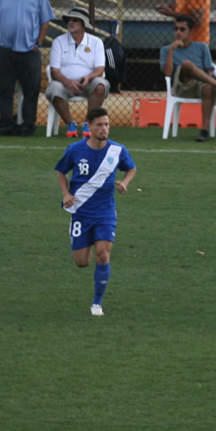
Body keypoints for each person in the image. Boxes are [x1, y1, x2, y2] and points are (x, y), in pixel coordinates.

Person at [54, 108, 136, 316]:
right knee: (82, 262)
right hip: (81, 212)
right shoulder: (75, 150)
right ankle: (86, 242)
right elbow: (61, 171)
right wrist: (65, 194)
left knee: (102, 254)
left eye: (107, 124)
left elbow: (131, 168)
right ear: (89, 127)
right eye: (99, 125)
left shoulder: (117, 150)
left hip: (105, 212)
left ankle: (97, 303)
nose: (104, 128)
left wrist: (125, 183)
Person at [0, 0, 55, 137]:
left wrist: (38, 43)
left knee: (31, 91)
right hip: (5, 49)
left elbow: (45, 21)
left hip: (29, 50)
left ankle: (28, 126)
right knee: (4, 90)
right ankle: (6, 125)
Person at [160, 16, 216, 142]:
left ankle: (204, 131)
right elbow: (167, 73)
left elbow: (209, 70)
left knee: (207, 87)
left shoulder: (202, 47)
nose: (178, 32)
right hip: (181, 85)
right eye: (176, 29)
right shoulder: (166, 50)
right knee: (187, 64)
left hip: (201, 84)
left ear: (190, 32)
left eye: (182, 29)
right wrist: (171, 50)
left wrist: (210, 84)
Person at [47, 7, 108, 139]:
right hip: (64, 84)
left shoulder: (96, 42)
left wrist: (88, 77)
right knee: (53, 87)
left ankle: (88, 123)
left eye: (75, 20)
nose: (71, 22)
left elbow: (100, 69)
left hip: (89, 84)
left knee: (100, 85)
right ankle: (70, 124)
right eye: (69, 19)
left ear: (84, 24)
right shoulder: (58, 41)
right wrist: (67, 82)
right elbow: (54, 71)